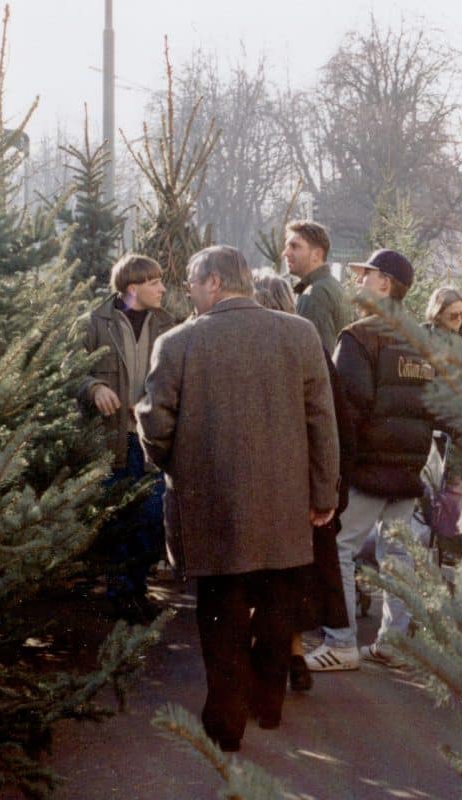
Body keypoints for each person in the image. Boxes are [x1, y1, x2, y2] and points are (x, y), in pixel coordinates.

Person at [136, 246, 339, 752]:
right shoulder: (300, 334)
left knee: (220, 613)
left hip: (213, 504)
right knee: (277, 607)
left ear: (214, 282)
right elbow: (322, 421)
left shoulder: (177, 342)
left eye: (191, 280)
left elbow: (154, 421)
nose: (187, 289)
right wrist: (322, 491)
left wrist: (175, 466)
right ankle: (267, 706)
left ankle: (225, 723)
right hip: (286, 503)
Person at [306, 249, 440, 672]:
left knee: (340, 548)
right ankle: (393, 645)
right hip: (407, 471)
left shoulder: (360, 336)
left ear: (384, 283)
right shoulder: (424, 341)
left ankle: (341, 642)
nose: (357, 282)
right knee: (398, 555)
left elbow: (347, 409)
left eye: (364, 275)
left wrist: (336, 471)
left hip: (366, 470)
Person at [252, 269, 353, 692]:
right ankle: (293, 654)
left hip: (269, 490)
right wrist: (328, 491)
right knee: (296, 580)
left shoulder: (253, 355)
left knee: (264, 579)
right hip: (308, 492)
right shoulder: (313, 353)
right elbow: (337, 429)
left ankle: (271, 662)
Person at [77, 253, 173, 622]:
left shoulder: (167, 325)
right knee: (119, 520)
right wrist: (94, 386)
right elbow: (70, 371)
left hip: (153, 443)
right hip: (113, 441)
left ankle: (137, 587)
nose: (162, 288)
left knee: (152, 517)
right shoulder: (93, 324)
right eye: (154, 283)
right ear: (133, 289)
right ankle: (122, 596)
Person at [282, 219, 350, 353]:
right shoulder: (330, 285)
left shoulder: (314, 294)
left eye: (295, 246)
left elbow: (319, 358)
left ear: (317, 254)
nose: (286, 253)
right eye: (287, 247)